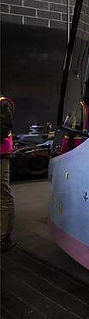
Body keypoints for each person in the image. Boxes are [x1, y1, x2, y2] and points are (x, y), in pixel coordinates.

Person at [1, 93, 14, 252]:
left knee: (3, 196)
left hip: (1, 155)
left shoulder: (3, 103)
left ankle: (3, 237)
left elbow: (3, 128)